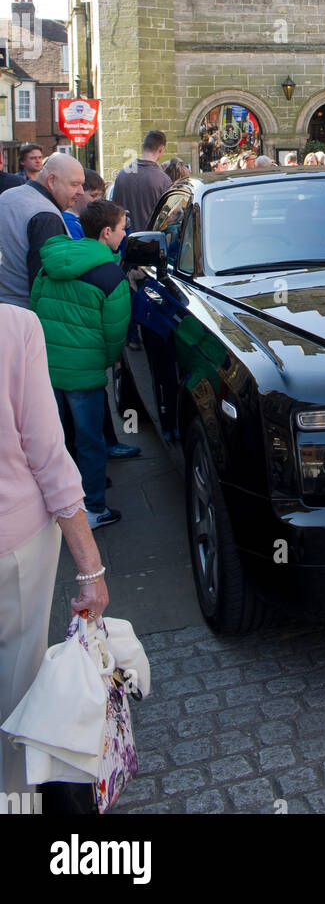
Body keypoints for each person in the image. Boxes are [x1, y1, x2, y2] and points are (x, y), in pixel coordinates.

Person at [0, 304, 109, 800]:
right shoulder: (15, 326)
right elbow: (46, 452)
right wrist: (90, 566)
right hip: (13, 539)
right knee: (17, 689)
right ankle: (14, 800)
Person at [31, 200, 131, 529]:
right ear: (106, 232)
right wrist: (102, 363)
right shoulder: (111, 275)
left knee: (57, 437)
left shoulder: (50, 264)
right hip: (84, 372)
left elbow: (35, 308)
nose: (124, 233)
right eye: (121, 228)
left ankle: (59, 501)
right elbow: (115, 335)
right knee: (90, 440)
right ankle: (93, 509)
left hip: (48, 368)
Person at [0, 153, 84, 309]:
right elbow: (46, 285)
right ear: (51, 181)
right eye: (74, 184)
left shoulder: (7, 196)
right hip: (25, 315)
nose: (81, 191)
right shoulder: (46, 216)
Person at [110, 131, 172, 232]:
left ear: (143, 146)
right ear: (161, 149)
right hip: (150, 241)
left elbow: (113, 210)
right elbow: (171, 216)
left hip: (124, 240)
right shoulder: (163, 180)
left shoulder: (122, 175)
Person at [62, 169, 106, 239]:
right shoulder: (69, 223)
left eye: (100, 195)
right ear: (78, 192)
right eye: (93, 195)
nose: (98, 200)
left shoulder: (85, 219)